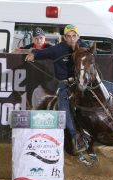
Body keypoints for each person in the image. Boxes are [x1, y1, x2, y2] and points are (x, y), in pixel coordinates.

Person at [25, 24, 88, 155]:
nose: (71, 39)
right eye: (68, 36)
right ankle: (75, 137)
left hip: (81, 83)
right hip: (65, 85)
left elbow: (92, 53)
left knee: (110, 88)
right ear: (64, 37)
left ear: (78, 36)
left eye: (74, 36)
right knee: (64, 111)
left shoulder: (83, 46)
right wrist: (34, 54)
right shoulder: (58, 49)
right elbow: (43, 52)